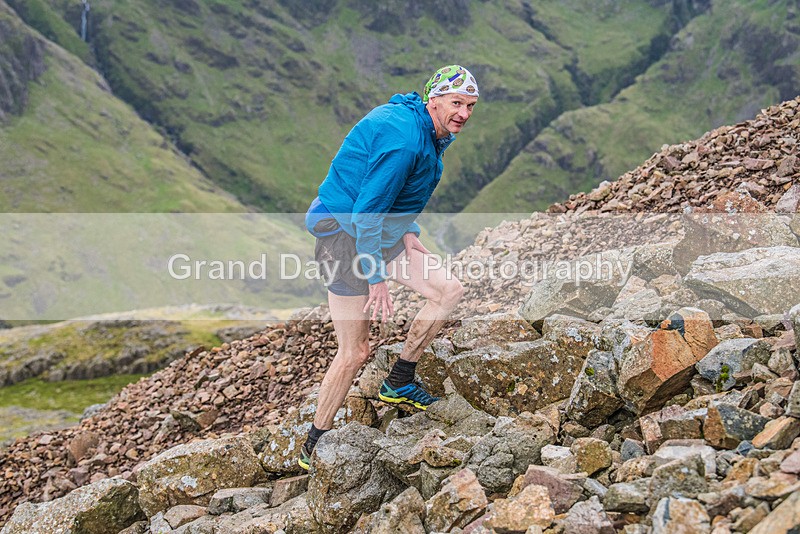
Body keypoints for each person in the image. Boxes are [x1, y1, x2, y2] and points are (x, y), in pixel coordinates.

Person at [299, 65, 480, 470]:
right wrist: (376, 277)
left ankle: (399, 380)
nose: (464, 113)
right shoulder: (404, 140)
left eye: (470, 105)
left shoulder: (426, 130)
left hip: (378, 234)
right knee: (355, 351)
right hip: (344, 239)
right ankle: (314, 443)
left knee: (448, 290)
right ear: (433, 100)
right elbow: (366, 211)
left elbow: (392, 194)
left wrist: (407, 231)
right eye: (456, 103)